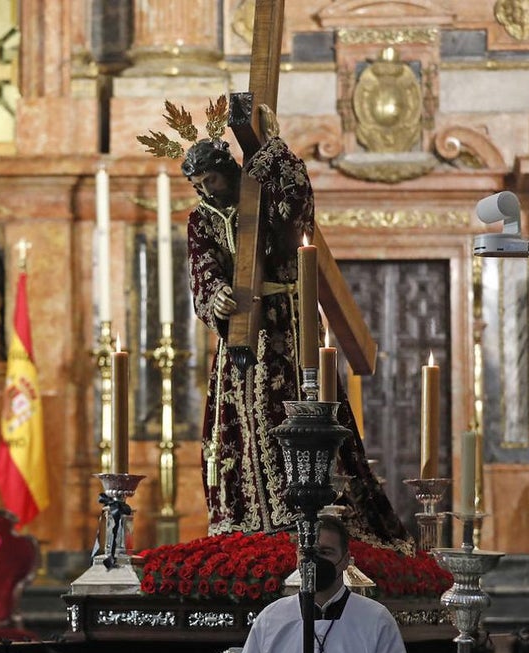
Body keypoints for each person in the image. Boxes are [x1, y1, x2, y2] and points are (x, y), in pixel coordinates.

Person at [159, 98, 410, 549]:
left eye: (210, 179)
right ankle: (247, 518)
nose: (205, 191)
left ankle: (309, 518)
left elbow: (297, 215)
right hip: (240, 331)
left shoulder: (265, 194)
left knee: (295, 407)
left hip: (287, 328)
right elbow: (201, 267)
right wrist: (215, 295)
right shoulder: (202, 219)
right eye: (197, 184)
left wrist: (272, 149)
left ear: (227, 167)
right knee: (238, 423)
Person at [228, 516, 421, 653]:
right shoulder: (271, 619)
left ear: (346, 560)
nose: (314, 562)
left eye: (325, 553)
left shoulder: (376, 619)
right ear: (296, 557)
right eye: (307, 553)